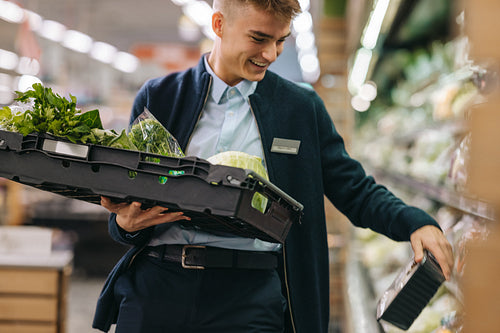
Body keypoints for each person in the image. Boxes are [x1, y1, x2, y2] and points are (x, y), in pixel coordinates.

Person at [93, 0, 454, 332]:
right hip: (159, 286)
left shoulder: (299, 108)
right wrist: (124, 224)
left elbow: (352, 187)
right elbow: (129, 200)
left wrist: (414, 222)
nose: (270, 54)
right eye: (259, 38)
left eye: (281, 41)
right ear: (219, 24)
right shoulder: (161, 96)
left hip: (250, 296)